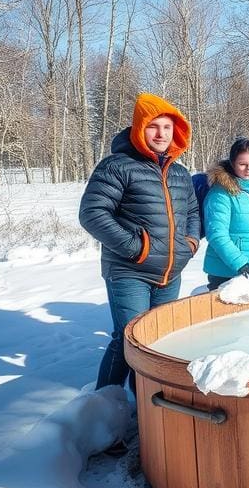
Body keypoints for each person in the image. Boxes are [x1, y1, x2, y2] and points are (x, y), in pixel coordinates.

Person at [79, 93, 200, 412]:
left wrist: (189, 244)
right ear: (139, 129)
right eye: (153, 127)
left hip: (169, 274)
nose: (161, 134)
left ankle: (147, 410)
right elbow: (92, 213)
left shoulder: (180, 173)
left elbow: (192, 211)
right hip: (129, 271)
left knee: (158, 341)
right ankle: (101, 416)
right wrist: (136, 248)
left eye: (167, 127)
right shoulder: (118, 165)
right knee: (129, 340)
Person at [202, 138, 249, 290]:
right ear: (233, 164)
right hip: (226, 273)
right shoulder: (221, 193)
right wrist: (241, 263)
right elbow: (217, 235)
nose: (248, 169)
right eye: (242, 164)